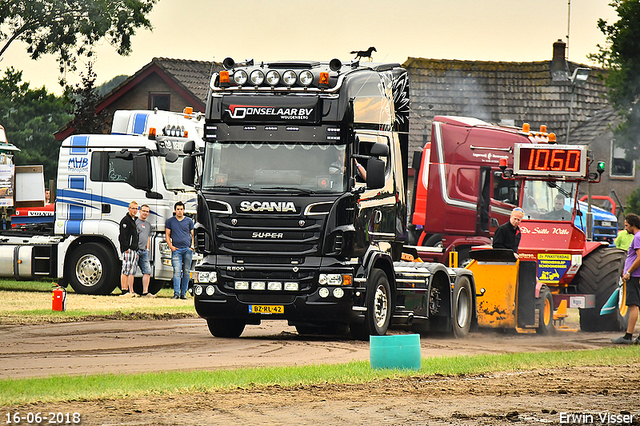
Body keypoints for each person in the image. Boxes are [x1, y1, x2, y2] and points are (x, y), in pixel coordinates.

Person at [611, 213, 640, 344]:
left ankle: (628, 336)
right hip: (636, 275)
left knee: (633, 305)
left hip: (634, 276)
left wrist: (628, 271)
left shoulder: (638, 237)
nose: (625, 228)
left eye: (627, 225)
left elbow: (639, 257)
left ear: (633, 225)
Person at [165, 201, 194, 300]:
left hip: (187, 250)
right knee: (176, 271)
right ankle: (176, 293)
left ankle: (183, 294)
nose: (180, 211)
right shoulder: (170, 221)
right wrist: (171, 247)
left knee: (186, 271)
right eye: (178, 209)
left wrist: (192, 246)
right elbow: (167, 235)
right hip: (176, 250)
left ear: (184, 210)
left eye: (181, 209)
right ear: (175, 210)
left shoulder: (189, 221)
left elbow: (193, 234)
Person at [119, 201, 139, 297]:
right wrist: (125, 247)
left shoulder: (134, 220)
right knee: (125, 269)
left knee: (131, 270)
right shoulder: (125, 220)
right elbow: (123, 235)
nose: (134, 210)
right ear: (129, 209)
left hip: (134, 249)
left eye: (136, 208)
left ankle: (129, 291)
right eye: (133, 208)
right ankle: (124, 290)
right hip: (128, 249)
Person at [136, 204, 155, 297]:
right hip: (136, 250)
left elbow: (148, 237)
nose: (145, 213)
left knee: (147, 271)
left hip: (144, 251)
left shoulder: (148, 225)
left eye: (147, 211)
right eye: (143, 211)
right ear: (140, 211)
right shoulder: (136, 222)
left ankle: (145, 292)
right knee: (131, 271)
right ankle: (129, 291)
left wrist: (147, 249)